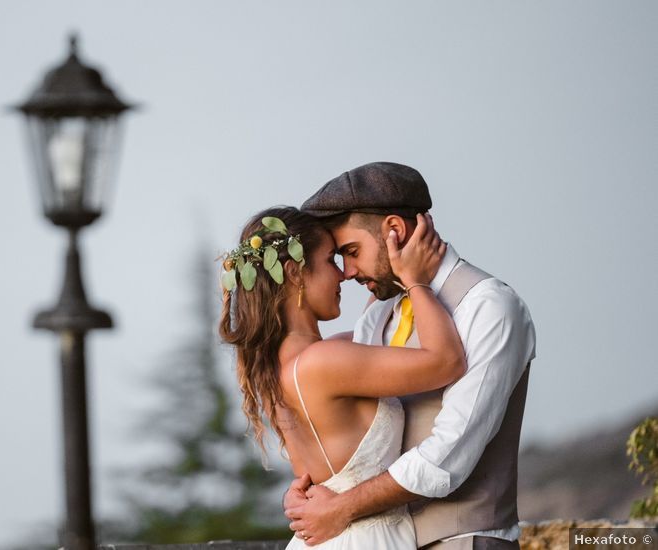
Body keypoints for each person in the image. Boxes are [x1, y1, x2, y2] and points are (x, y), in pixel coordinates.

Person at [285, 162, 537, 550]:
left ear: (395, 231)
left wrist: (343, 507)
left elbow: (448, 456)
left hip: (463, 540)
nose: (348, 272)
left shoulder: (488, 306)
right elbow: (362, 437)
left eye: (351, 252)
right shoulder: (379, 312)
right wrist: (310, 493)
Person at [218, 205, 468, 549]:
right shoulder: (325, 362)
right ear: (294, 272)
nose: (342, 276)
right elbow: (447, 362)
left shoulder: (280, 368)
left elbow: (384, 331)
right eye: (330, 261)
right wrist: (417, 281)